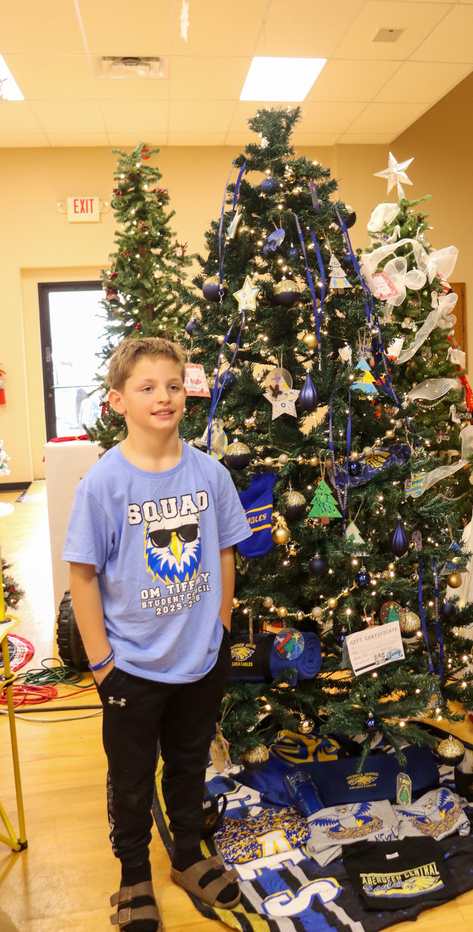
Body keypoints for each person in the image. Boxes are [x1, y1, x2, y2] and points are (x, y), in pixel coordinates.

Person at [63, 337, 251, 932]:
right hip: (131, 668)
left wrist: (220, 626)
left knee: (190, 761)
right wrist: (101, 665)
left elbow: (224, 551)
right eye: (147, 387)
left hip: (200, 658)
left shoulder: (210, 473)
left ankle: (189, 855)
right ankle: (133, 874)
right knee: (131, 774)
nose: (163, 397)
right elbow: (84, 576)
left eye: (172, 385)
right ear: (118, 401)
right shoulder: (103, 485)